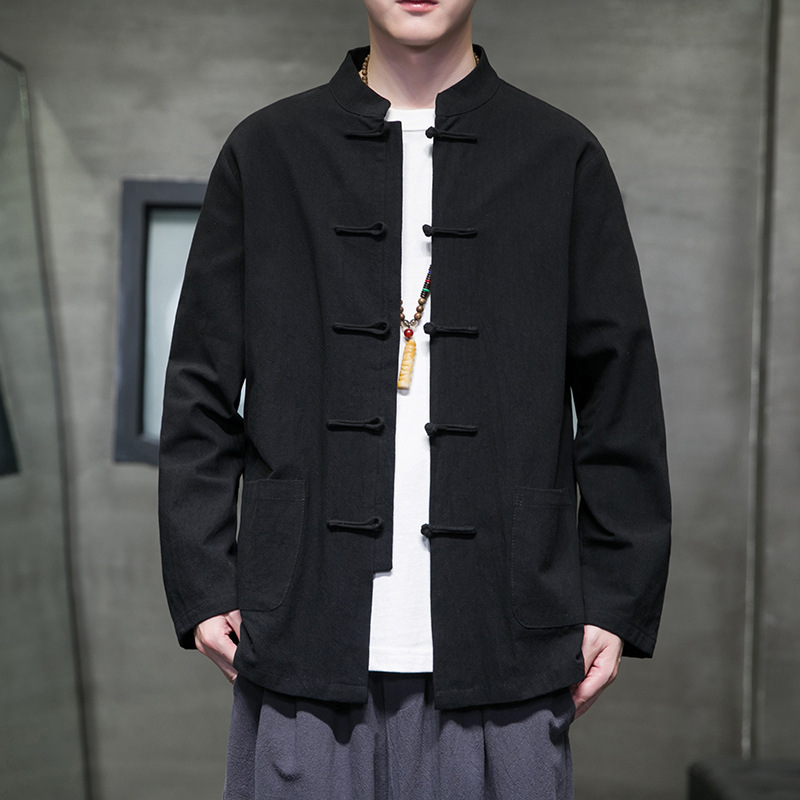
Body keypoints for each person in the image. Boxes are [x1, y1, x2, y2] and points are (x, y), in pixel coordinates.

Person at [159, 1, 671, 798]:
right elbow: (198, 382)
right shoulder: (267, 152)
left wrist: (614, 597)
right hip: (298, 633)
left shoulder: (560, 155)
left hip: (510, 639)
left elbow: (620, 391)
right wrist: (204, 583)